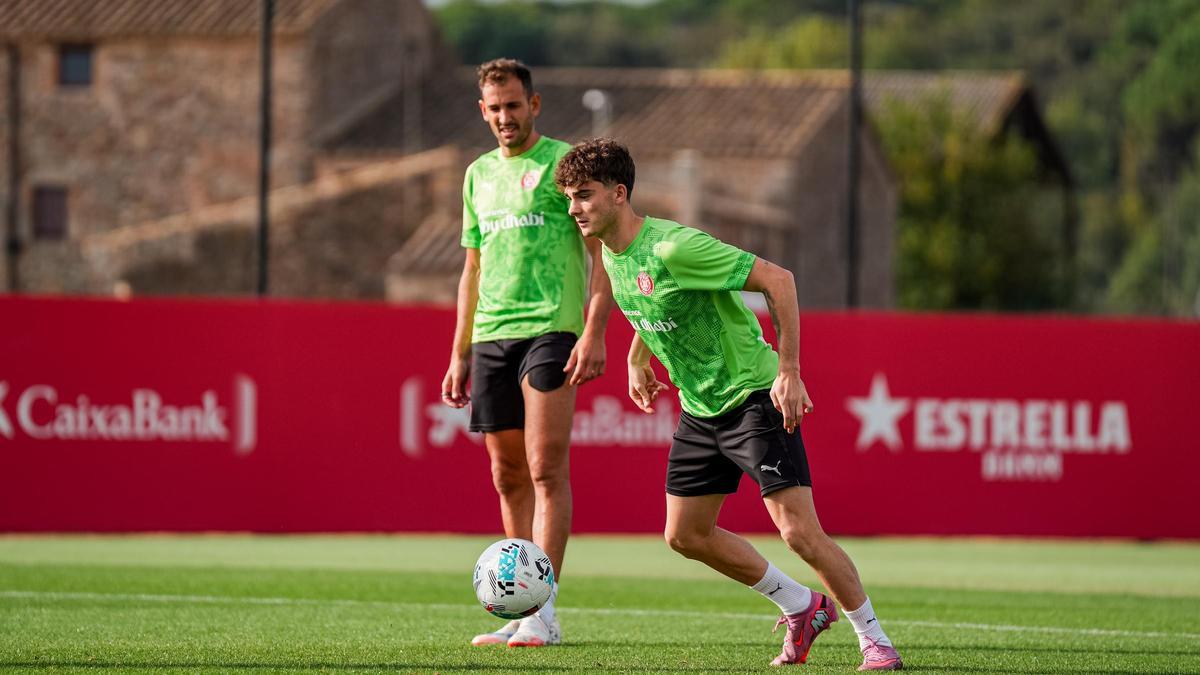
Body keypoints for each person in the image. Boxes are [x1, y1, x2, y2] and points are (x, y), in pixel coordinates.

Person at [553, 138, 903, 671]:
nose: (574, 207)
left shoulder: (675, 246)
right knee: (685, 534)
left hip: (753, 399)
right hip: (700, 408)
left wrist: (788, 372)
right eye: (569, 197)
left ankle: (875, 641)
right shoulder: (610, 251)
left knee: (799, 534)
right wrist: (636, 357)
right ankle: (802, 606)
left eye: (584, 195)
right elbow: (655, 302)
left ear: (619, 194)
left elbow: (778, 280)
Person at [441, 60, 613, 648]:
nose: (504, 117)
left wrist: (594, 331)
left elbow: (602, 254)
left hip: (552, 331)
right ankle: (521, 605)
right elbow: (472, 267)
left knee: (545, 468)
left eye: (513, 105)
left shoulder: (563, 165)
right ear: (481, 111)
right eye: (494, 108)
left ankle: (545, 613)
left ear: (533, 105)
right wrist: (459, 350)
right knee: (506, 473)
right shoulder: (477, 175)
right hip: (491, 335)